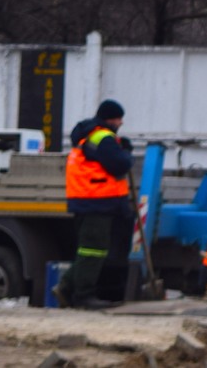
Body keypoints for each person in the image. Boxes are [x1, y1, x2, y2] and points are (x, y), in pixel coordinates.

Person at [63, 99, 136, 309]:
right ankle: (83, 295)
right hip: (97, 202)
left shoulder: (88, 136)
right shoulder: (102, 138)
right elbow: (119, 165)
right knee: (93, 250)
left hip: (87, 201)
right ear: (109, 118)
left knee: (87, 250)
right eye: (118, 118)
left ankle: (66, 288)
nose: (121, 123)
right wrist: (126, 152)